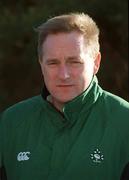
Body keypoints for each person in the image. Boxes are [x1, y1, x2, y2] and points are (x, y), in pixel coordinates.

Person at [0, 12, 129, 180]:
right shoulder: (11, 123)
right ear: (41, 65)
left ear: (96, 62)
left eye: (74, 62)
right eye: (53, 63)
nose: (64, 75)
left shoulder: (124, 123)